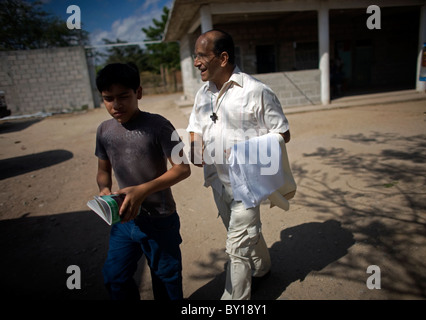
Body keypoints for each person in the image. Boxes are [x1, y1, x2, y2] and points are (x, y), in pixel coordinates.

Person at [187, 29, 290, 300]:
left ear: (222, 58)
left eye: (200, 56)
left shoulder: (257, 92)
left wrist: (247, 150)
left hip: (248, 184)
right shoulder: (202, 94)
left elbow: (283, 133)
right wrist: (195, 146)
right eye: (194, 56)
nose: (196, 62)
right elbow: (195, 126)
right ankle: (264, 268)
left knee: (235, 248)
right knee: (243, 236)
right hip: (218, 183)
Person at [94, 62, 190, 300]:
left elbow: (182, 169)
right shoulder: (104, 130)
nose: (116, 105)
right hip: (124, 219)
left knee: (166, 278)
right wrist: (105, 189)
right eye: (108, 98)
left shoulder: (159, 126)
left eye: (123, 96)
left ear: (138, 92)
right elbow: (103, 170)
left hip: (160, 219)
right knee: (114, 276)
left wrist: (142, 191)